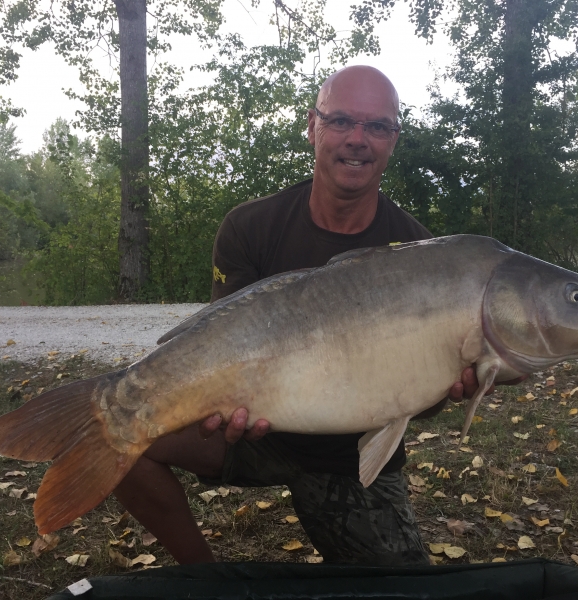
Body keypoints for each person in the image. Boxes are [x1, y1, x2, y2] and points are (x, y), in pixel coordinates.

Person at [113, 65, 511, 566]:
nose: (358, 140)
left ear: (393, 140)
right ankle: (205, 579)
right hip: (255, 430)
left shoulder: (420, 255)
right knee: (117, 432)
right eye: (342, 121)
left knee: (405, 590)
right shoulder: (249, 226)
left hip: (346, 454)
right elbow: (218, 344)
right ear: (313, 127)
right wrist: (221, 404)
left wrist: (450, 386)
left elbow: (417, 402)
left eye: (377, 127)